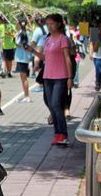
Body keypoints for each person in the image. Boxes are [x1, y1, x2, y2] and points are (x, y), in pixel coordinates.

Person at [25, 14, 73, 146]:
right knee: (52, 106)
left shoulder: (63, 39)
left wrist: (70, 77)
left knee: (57, 105)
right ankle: (57, 134)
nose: (49, 26)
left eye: (52, 23)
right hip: (48, 77)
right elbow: (45, 57)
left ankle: (63, 134)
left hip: (61, 76)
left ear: (58, 24)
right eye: (48, 24)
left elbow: (68, 59)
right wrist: (33, 51)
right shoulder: (47, 39)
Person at [14, 17, 33, 103]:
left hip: (20, 58)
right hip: (25, 57)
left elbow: (17, 44)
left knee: (23, 78)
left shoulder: (21, 33)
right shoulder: (27, 33)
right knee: (24, 77)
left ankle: (27, 96)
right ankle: (26, 95)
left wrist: (15, 36)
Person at [30, 15, 47, 92]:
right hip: (46, 53)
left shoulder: (37, 31)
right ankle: (43, 84)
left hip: (38, 53)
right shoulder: (47, 28)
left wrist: (30, 47)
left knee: (39, 70)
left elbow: (33, 43)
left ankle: (41, 85)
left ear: (35, 22)